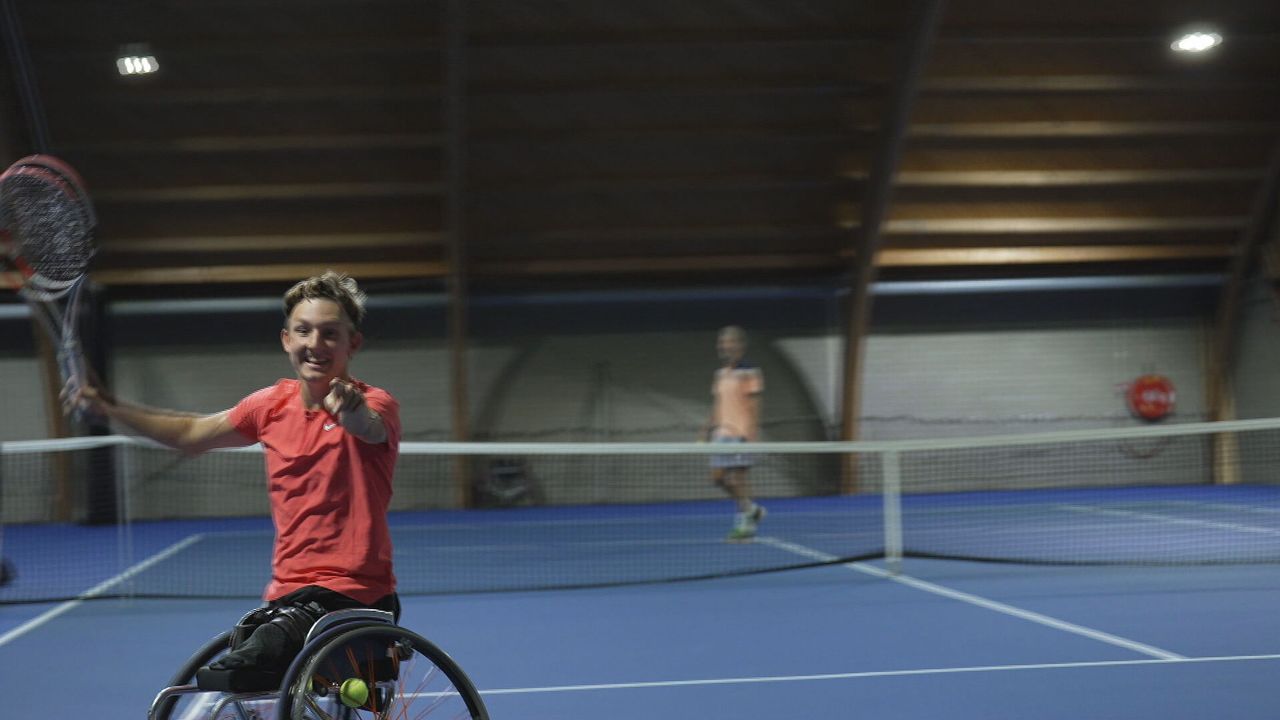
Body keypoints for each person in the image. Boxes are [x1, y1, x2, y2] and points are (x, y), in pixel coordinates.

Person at [67, 270, 401, 686]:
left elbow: (365, 425)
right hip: (285, 594)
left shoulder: (376, 404)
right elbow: (190, 434)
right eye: (304, 331)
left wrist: (346, 406)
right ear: (287, 340)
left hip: (352, 593)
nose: (315, 344)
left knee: (234, 673)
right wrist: (111, 410)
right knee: (253, 668)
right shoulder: (267, 406)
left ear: (353, 343)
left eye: (330, 334)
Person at [700, 325, 765, 541]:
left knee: (738, 480)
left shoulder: (750, 371)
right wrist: (707, 428)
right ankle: (752, 509)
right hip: (721, 433)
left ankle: (744, 528)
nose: (724, 346)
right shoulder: (720, 374)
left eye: (729, 342)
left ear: (739, 345)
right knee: (717, 478)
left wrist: (752, 434)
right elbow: (718, 404)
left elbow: (755, 404)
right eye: (722, 342)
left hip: (741, 433)